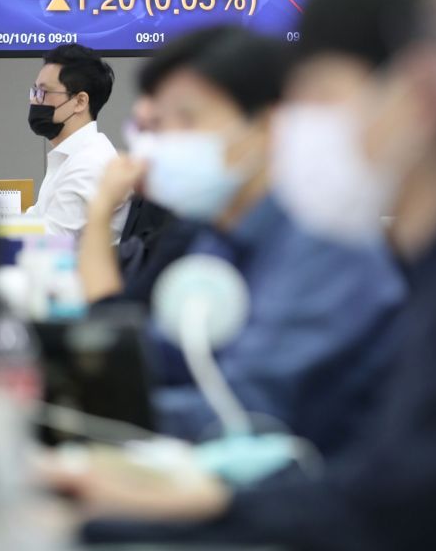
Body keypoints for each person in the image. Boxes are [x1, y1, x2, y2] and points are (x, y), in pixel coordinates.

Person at [50, 0, 436, 551]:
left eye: (321, 98)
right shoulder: (221, 236)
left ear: (421, 96)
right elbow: (162, 355)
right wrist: (69, 394)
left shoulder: (431, 279)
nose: (305, 128)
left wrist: (82, 416)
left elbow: (377, 498)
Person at [78, 25, 406, 453]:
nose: (162, 143)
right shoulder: (217, 237)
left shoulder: (325, 244)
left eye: (187, 119)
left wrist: (91, 412)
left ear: (265, 126)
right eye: (159, 124)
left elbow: (247, 408)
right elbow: (166, 356)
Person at [26, 44, 128, 242]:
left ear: (80, 101)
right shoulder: (71, 157)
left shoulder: (89, 164)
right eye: (34, 91)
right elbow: (36, 220)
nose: (35, 101)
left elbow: (49, 243)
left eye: (44, 92)